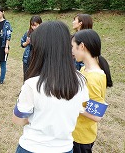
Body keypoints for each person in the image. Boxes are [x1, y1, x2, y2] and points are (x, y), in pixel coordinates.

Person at [12, 21, 89, 153]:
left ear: (41, 49)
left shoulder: (32, 84)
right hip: (65, 148)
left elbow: (18, 119)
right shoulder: (81, 81)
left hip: (32, 147)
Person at [72, 29, 113, 153]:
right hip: (76, 132)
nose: (72, 51)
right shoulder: (85, 69)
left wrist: (73, 105)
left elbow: (96, 116)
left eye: (73, 47)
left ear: (82, 46)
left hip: (81, 138)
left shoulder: (93, 78)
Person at [20, 16, 42, 81]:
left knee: (36, 78)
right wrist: (27, 43)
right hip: (28, 59)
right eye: (32, 25)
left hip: (38, 60)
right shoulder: (27, 33)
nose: (33, 27)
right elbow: (22, 44)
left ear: (40, 24)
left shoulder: (43, 34)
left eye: (35, 25)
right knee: (26, 77)